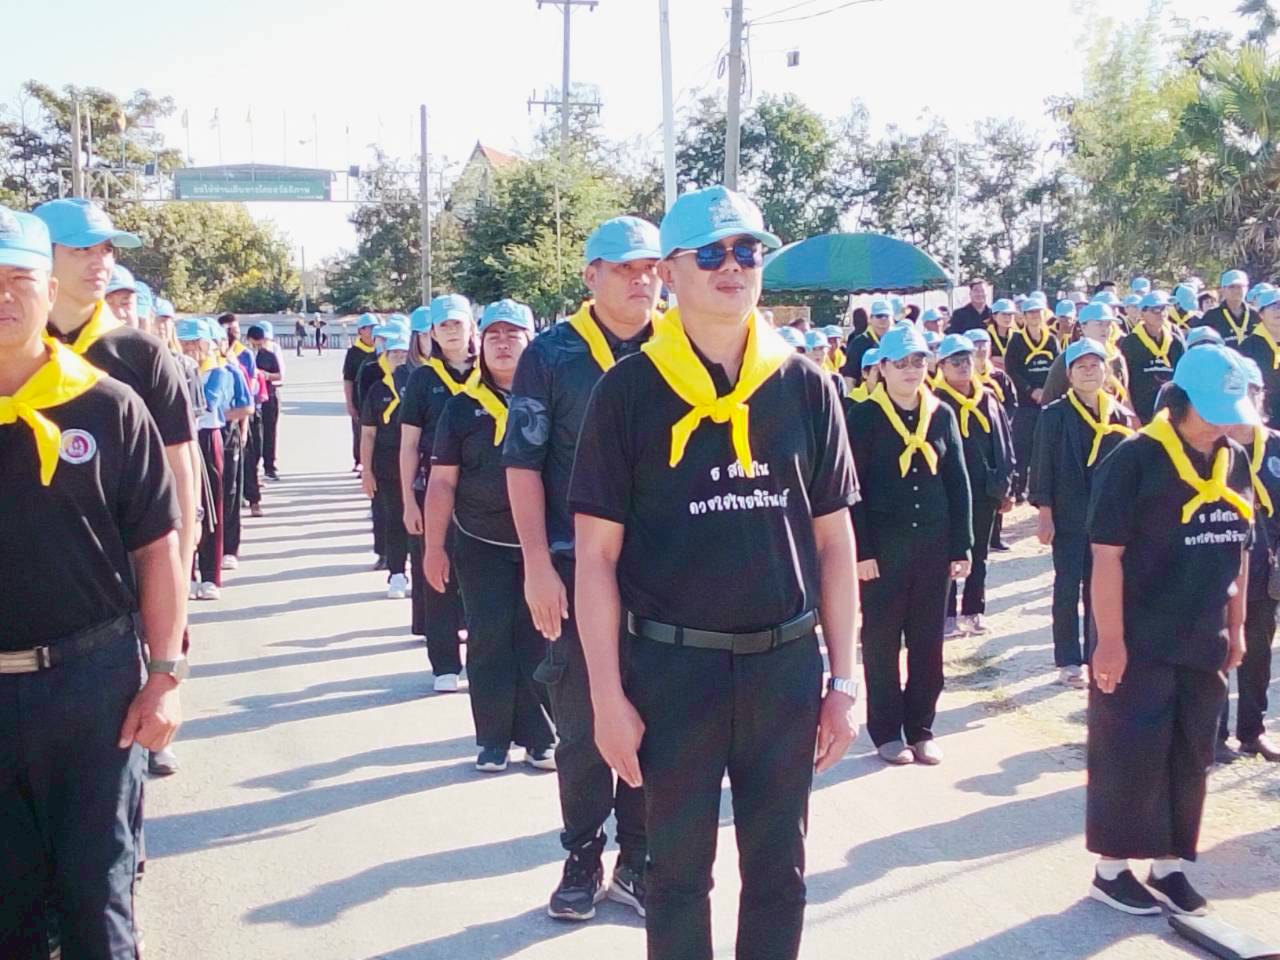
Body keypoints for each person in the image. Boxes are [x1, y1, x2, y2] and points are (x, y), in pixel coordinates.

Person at [569, 186, 859, 960]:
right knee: (675, 878)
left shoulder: (806, 386)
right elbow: (595, 558)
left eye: (748, 251)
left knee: (780, 876)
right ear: (669, 271)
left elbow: (835, 543)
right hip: (672, 672)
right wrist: (606, 697)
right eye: (712, 253)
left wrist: (844, 680)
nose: (733, 266)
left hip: (783, 669)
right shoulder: (627, 392)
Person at [0, 205, 186, 960]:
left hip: (91, 688)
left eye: (19, 279)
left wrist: (165, 674)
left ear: (49, 291)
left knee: (96, 895)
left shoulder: (109, 406)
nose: (3, 297)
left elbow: (158, 551)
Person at [504, 216, 661, 921]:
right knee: (581, 722)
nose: (641, 280)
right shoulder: (552, 354)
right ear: (591, 275)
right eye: (625, 267)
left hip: (663, 573)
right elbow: (522, 463)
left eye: (651, 267)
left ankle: (638, 858)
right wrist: (537, 564)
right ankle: (582, 855)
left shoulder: (679, 345)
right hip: (573, 567)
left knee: (656, 718)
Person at [1086, 344, 1254, 918]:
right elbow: (1106, 555)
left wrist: (1237, 626)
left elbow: (1240, 549)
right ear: (1181, 402)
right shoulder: (1134, 459)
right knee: (1131, 750)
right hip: (1140, 636)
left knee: (1191, 753)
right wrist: (1110, 641)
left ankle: (1169, 864)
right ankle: (1112, 869)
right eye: (1214, 410)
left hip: (1204, 635)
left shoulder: (1233, 459)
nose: (1224, 423)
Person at [33, 198, 200, 615]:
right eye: (81, 249)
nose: (100, 262)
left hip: (119, 590)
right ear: (41, 256)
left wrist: (175, 595)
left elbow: (180, 471)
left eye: (107, 249)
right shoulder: (17, 350)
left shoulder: (143, 354)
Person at [424, 299, 556, 772]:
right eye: (494, 335)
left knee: (541, 636)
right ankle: (494, 739)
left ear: (530, 341)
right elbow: (442, 481)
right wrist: (433, 547)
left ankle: (541, 736)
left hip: (542, 541)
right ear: (480, 343)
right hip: (480, 540)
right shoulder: (462, 407)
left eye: (513, 334)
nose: (503, 344)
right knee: (488, 639)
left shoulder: (551, 399)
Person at [847, 323, 972, 766]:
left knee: (927, 644)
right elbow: (852, 489)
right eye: (900, 362)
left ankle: (921, 728)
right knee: (882, 643)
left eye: (918, 361)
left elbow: (957, 482)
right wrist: (861, 551)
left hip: (932, 549)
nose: (910, 370)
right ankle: (886, 730)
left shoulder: (941, 414)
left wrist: (962, 546)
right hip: (882, 553)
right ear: (881, 367)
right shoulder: (862, 417)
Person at [1031, 339, 1134, 687]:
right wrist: (1045, 512)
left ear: (1106, 371)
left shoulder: (1119, 415)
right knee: (1067, 585)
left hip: (1108, 517)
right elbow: (1042, 465)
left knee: (1101, 587)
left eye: (1095, 365)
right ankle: (1068, 659)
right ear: (1069, 374)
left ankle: (1095, 652)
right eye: (1081, 367)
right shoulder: (1055, 414)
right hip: (1069, 514)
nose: (1089, 372)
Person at [400, 294, 478, 692]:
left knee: (483, 577)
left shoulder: (489, 371)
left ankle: (482, 659)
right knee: (437, 574)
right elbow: (409, 445)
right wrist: (408, 502)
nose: (450, 331)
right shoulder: (423, 379)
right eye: (443, 325)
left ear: (471, 327)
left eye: (457, 323)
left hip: (483, 491)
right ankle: (445, 664)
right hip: (432, 489)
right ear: (430, 333)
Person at [1216, 358, 1280, 763]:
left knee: (1258, 653)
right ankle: (1214, 734)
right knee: (1219, 650)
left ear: (1261, 397)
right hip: (1220, 566)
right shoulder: (1212, 446)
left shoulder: (1275, 445)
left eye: (1251, 392)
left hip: (1266, 569)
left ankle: (1252, 732)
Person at [933, 334, 1015, 638]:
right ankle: (946, 614)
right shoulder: (934, 402)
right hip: (948, 493)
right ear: (941, 366)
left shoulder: (988, 397)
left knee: (979, 552)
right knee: (947, 552)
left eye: (966, 359)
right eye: (955, 361)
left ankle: (973, 610)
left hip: (984, 490)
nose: (963, 365)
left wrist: (1007, 486)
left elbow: (1003, 443)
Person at [361, 324, 414, 599]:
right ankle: (396, 573)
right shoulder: (377, 390)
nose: (400, 359)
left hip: (417, 465)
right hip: (388, 466)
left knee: (419, 523)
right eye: (394, 354)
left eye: (404, 354)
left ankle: (420, 574)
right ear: (385, 356)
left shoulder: (418, 386)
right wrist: (366, 470)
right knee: (394, 520)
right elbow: (368, 433)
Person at [1005, 296, 1060, 503]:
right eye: (1031, 312)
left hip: (1048, 400)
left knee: (1047, 447)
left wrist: (1047, 390)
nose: (1035, 316)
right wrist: (1030, 390)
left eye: (1038, 312)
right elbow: (1012, 370)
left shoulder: (1051, 339)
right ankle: (1018, 489)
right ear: (1024, 316)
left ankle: (1044, 489)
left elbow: (1057, 368)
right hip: (1025, 403)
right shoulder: (1016, 341)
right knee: (1022, 446)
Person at [1040, 302, 1130, 407]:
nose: (1105, 329)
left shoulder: (1116, 358)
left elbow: (1124, 397)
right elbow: (1049, 399)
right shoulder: (1068, 358)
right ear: (1083, 327)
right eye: (1099, 324)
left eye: (1108, 324)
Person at [1120, 291, 1185, 425]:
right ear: (1142, 313)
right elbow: (1124, 382)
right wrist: (1131, 414)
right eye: (1155, 309)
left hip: (1171, 412)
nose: (1161, 313)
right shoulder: (1130, 343)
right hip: (1142, 413)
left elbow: (1184, 376)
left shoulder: (1176, 342)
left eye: (1164, 308)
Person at [343, 313, 379, 472]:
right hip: (360, 399)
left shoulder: (381, 349)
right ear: (360, 331)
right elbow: (348, 379)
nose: (372, 331)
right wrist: (350, 403)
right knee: (360, 431)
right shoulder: (354, 353)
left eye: (375, 327)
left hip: (379, 398)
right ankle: (360, 461)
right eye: (369, 327)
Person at [1240, 287, 1280, 427]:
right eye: (1274, 306)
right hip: (1263, 417)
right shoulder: (1249, 346)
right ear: (1261, 314)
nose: (1278, 311)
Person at [249, 321, 283, 481]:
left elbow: (279, 375)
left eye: (260, 342)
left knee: (270, 432)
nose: (257, 345)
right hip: (251, 398)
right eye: (254, 342)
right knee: (255, 435)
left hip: (269, 396)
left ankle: (269, 466)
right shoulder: (245, 355)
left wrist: (265, 375)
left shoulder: (269, 355)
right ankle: (253, 467)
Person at [1196, 269, 1258, 346]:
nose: (1236, 290)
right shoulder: (1212, 316)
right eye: (1232, 287)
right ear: (1223, 290)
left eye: (1240, 287)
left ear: (1247, 289)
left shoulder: (1256, 315)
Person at [841, 298, 893, 381]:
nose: (883, 320)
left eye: (886, 316)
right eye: (879, 316)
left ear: (892, 319)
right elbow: (850, 377)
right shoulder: (859, 343)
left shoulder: (898, 342)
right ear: (871, 319)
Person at [986, 298, 1018, 369]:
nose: (1007, 318)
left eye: (1010, 314)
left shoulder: (1017, 336)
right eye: (1004, 314)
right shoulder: (986, 336)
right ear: (994, 316)